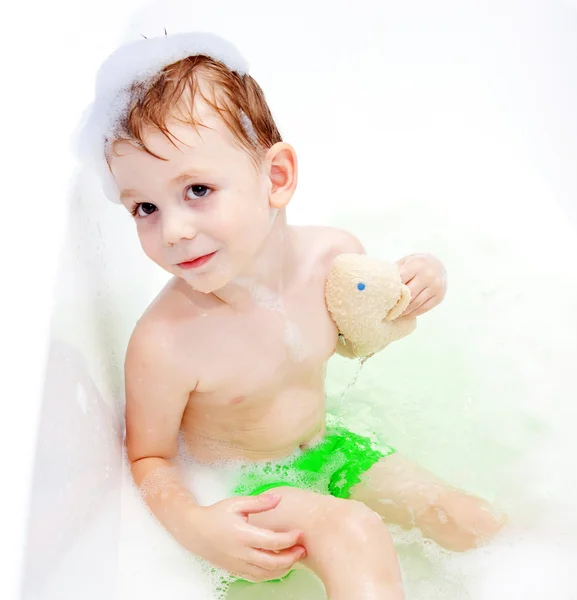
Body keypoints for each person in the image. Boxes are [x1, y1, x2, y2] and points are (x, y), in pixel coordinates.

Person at [92, 32, 505, 600]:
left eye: (197, 189)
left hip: (328, 446)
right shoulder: (167, 341)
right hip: (241, 494)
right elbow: (148, 456)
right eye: (145, 207)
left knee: (469, 518)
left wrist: (421, 278)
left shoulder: (333, 259)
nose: (174, 231)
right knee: (354, 532)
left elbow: (366, 334)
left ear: (277, 178)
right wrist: (196, 526)